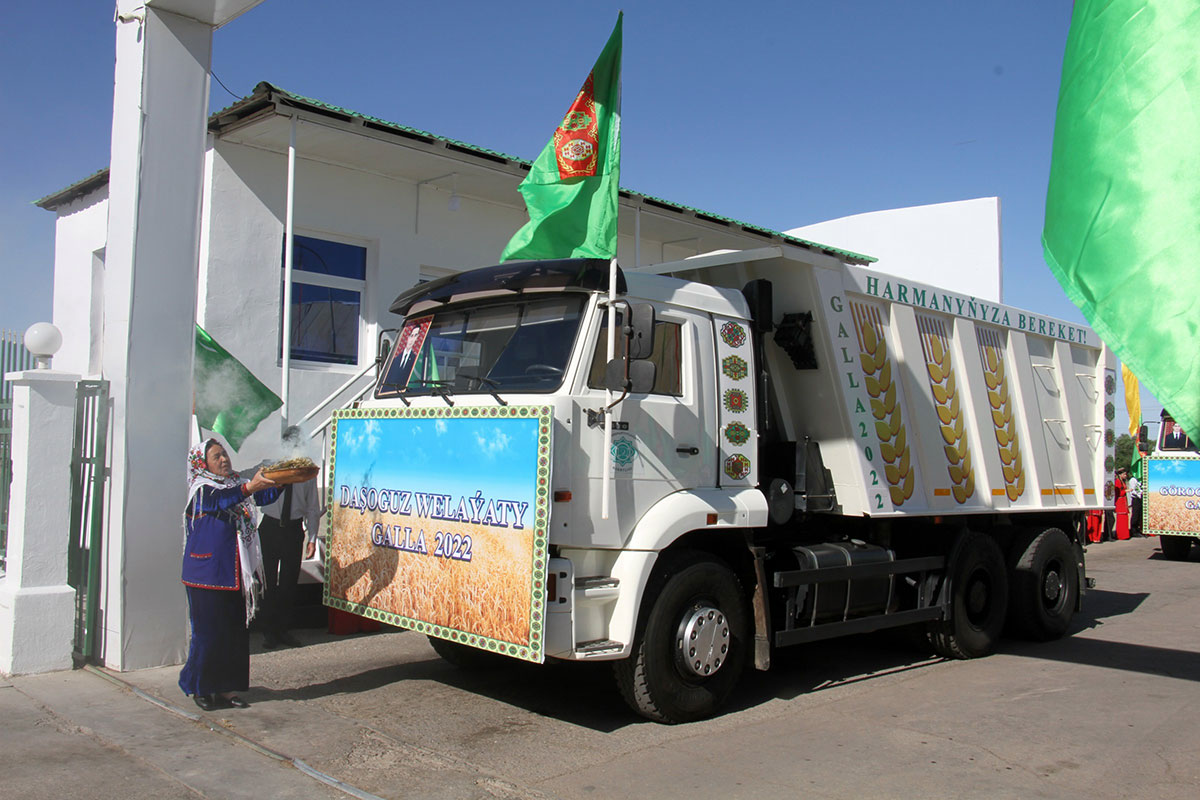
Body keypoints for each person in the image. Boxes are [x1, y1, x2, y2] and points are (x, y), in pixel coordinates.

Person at [179, 439, 278, 712]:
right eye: (216, 456)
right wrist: (249, 487)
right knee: (208, 633)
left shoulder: (235, 483)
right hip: (206, 573)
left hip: (236, 572)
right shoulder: (201, 488)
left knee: (234, 634)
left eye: (224, 454)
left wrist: (281, 479)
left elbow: (262, 497)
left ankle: (226, 688)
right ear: (203, 463)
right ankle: (200, 686)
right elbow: (220, 501)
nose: (224, 459)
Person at [255, 433, 322, 649]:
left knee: (288, 583)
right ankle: (268, 631)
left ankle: (283, 629)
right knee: (268, 582)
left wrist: (312, 537)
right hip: (270, 527)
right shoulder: (271, 467)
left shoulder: (306, 473)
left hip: (293, 530)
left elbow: (312, 507)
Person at [1113, 468, 1130, 541]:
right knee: (1121, 519)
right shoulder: (1117, 482)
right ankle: (1121, 535)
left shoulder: (1122, 481)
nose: (1125, 476)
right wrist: (1126, 491)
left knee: (1125, 518)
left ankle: (1125, 534)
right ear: (1120, 475)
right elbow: (1118, 493)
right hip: (1120, 501)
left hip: (1123, 501)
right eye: (1124, 474)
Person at [1127, 468, 1143, 537]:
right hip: (1135, 498)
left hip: (1141, 498)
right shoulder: (1133, 480)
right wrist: (1138, 494)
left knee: (1140, 514)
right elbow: (1132, 490)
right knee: (1135, 514)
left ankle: (1138, 528)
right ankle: (1133, 529)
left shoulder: (1140, 480)